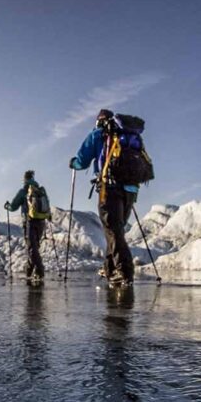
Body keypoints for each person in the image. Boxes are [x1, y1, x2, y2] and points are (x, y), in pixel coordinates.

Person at [69, 109, 140, 288]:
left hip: (109, 187)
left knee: (112, 230)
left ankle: (124, 272)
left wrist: (73, 163)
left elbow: (82, 160)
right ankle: (110, 269)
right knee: (116, 230)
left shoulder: (98, 134)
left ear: (99, 121)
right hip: (131, 189)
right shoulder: (127, 135)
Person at [4, 170, 48, 284]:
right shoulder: (40, 190)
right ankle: (29, 271)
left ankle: (39, 270)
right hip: (41, 222)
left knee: (31, 247)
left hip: (29, 221)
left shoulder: (23, 191)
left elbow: (13, 207)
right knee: (34, 247)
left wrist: (7, 206)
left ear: (24, 179)